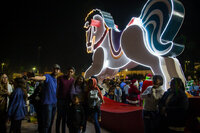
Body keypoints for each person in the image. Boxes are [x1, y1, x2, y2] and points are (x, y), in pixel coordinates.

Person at [30, 64, 61, 133]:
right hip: (47, 104)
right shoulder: (48, 76)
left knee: (50, 123)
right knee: (46, 124)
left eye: (57, 69)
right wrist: (34, 78)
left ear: (59, 71)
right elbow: (42, 78)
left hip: (54, 104)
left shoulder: (57, 80)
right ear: (52, 70)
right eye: (54, 68)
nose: (56, 70)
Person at [56, 66, 75, 133]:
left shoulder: (73, 80)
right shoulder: (61, 78)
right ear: (67, 71)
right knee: (59, 117)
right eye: (69, 71)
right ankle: (57, 131)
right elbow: (56, 87)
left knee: (64, 118)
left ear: (73, 73)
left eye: (71, 72)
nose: (69, 73)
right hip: (60, 100)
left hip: (67, 101)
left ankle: (63, 131)